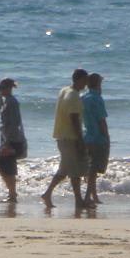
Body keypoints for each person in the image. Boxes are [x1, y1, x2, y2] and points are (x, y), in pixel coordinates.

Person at [41, 68, 93, 210]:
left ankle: (47, 193)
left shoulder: (64, 90)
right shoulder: (74, 96)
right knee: (75, 171)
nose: (87, 84)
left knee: (64, 170)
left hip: (61, 136)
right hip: (70, 137)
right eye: (85, 80)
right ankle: (79, 201)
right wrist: (80, 140)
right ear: (80, 80)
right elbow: (75, 120)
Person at [0, 78, 27, 203]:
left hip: (12, 140)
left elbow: (14, 123)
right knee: (3, 167)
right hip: (8, 139)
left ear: (8, 88)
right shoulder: (7, 101)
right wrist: (0, 102)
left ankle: (12, 195)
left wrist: (8, 142)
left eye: (2, 88)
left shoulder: (12, 102)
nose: (0, 91)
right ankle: (12, 194)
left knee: (6, 168)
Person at [81, 72, 110, 206]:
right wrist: (107, 136)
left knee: (90, 168)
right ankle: (88, 196)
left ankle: (93, 196)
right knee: (94, 170)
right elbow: (101, 120)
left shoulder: (83, 97)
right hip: (98, 138)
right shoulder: (97, 98)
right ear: (98, 84)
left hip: (86, 136)